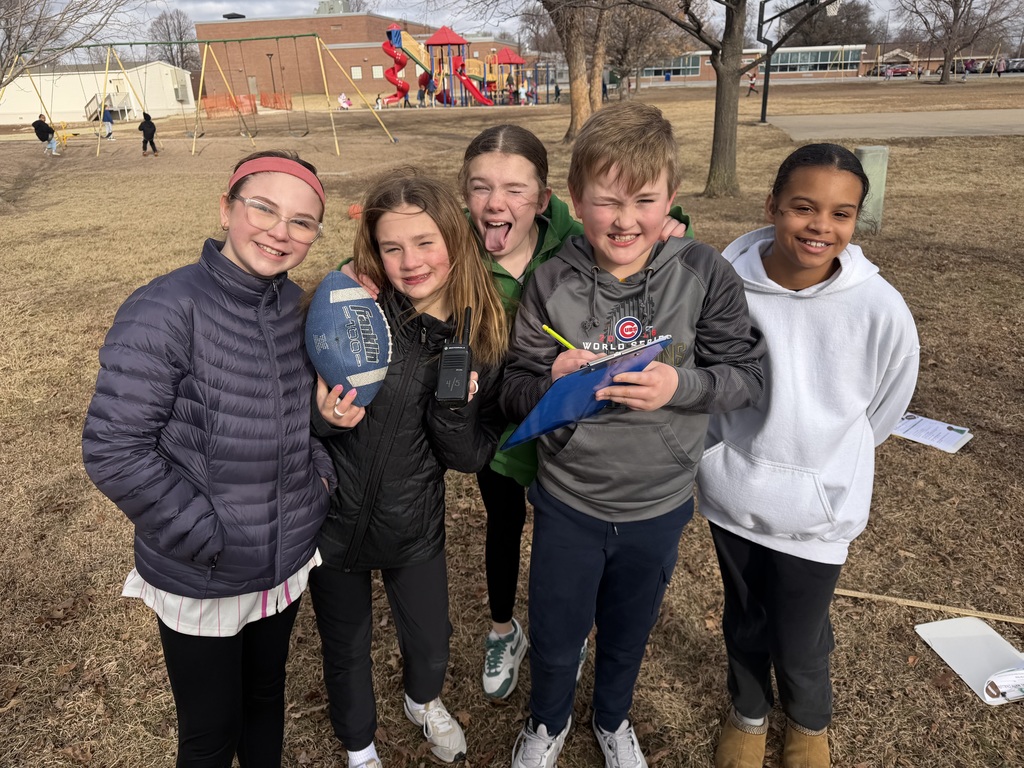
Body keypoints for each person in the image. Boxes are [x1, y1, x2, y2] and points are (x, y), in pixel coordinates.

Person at [500, 102, 765, 768]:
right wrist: (551, 378)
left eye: (644, 201)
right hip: (568, 503)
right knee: (557, 632)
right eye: (607, 201)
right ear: (575, 199)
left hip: (658, 505)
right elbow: (513, 386)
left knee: (627, 631)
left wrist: (682, 387)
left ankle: (613, 720)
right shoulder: (550, 282)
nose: (624, 220)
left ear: (671, 199)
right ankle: (547, 722)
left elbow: (747, 376)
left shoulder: (704, 273)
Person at [82, 149, 335, 767]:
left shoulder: (297, 307)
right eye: (263, 209)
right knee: (210, 731)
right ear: (226, 208)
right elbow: (114, 449)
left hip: (283, 561)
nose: (280, 231)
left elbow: (296, 419)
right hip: (207, 572)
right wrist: (205, 535)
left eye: (302, 221)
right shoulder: (165, 308)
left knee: (266, 699)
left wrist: (318, 480)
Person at [699, 143, 919, 768]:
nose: (821, 226)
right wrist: (722, 460)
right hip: (732, 494)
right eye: (803, 207)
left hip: (818, 514)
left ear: (855, 221)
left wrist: (826, 467)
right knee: (744, 618)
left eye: (841, 214)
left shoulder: (880, 309)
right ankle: (748, 713)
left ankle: (809, 721)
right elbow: (706, 372)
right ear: (772, 205)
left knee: (799, 634)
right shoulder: (723, 284)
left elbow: (884, 409)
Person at [457, 124, 694, 706]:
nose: (496, 203)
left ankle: (568, 630)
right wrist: (357, 271)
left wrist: (674, 218)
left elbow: (627, 209)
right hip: (502, 417)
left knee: (566, 537)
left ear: (545, 198)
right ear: (464, 194)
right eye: (481, 187)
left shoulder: (568, 232)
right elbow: (395, 244)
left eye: (515, 189)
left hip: (574, 424)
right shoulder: (453, 240)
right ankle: (503, 630)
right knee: (504, 522)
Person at [309, 169, 508, 768]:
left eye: (425, 242)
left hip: (412, 524)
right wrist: (325, 419)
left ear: (455, 238)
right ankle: (360, 747)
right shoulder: (358, 311)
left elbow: (469, 456)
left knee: (431, 641)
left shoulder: (482, 333)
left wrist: (455, 412)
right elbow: (303, 414)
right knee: (346, 646)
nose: (411, 262)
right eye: (392, 247)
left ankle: (423, 702)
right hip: (333, 519)